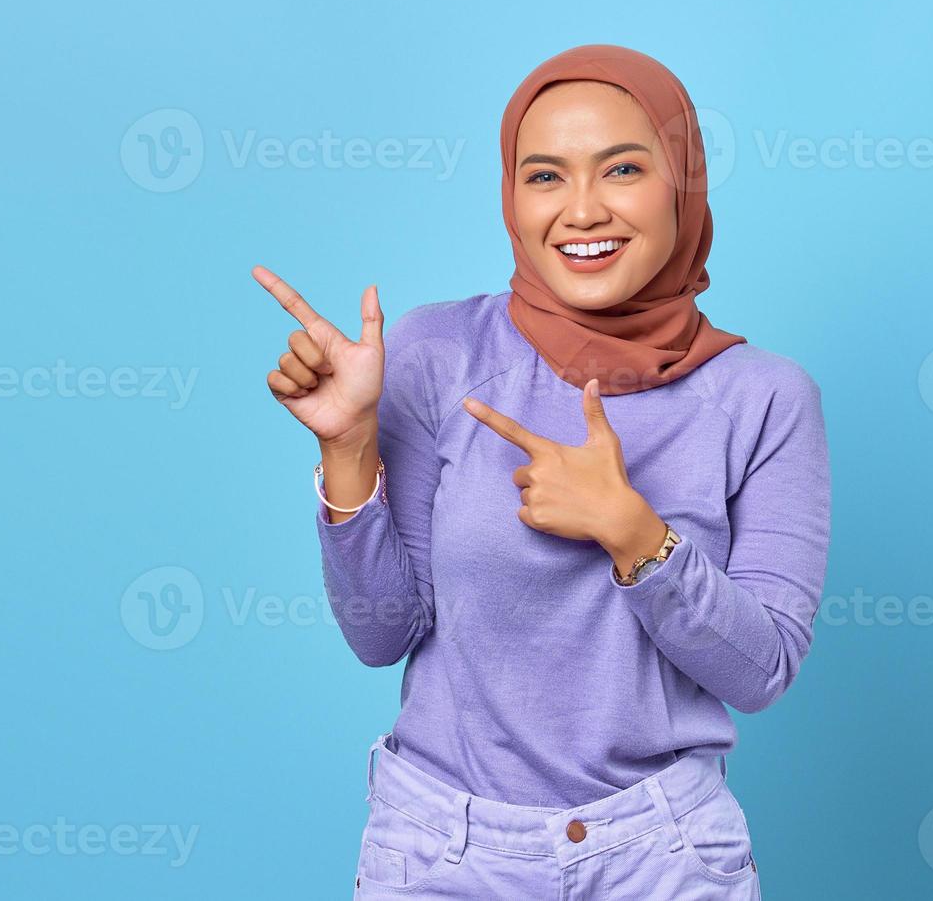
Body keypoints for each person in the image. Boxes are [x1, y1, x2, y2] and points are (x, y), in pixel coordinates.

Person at [251, 44, 830, 899]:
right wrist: (346, 449)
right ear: (510, 198)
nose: (581, 210)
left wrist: (632, 533)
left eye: (622, 169)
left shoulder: (764, 398)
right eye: (545, 176)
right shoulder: (437, 352)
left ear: (680, 183)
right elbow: (380, 637)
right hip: (442, 850)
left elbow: (760, 671)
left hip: (662, 858)